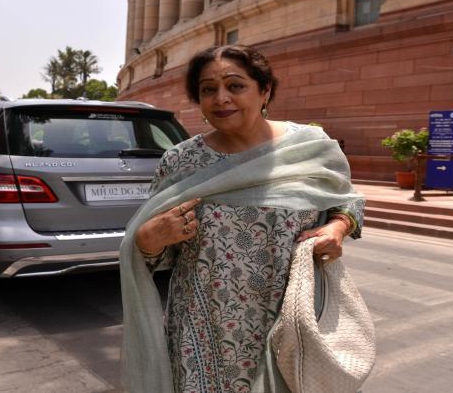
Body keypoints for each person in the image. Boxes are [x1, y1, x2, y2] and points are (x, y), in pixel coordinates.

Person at [120, 45, 365, 392]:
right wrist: (149, 239)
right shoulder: (181, 162)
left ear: (264, 90)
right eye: (208, 90)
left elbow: (346, 201)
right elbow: (155, 251)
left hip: (289, 320)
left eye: (235, 86)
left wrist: (338, 228)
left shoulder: (310, 147)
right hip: (203, 331)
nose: (221, 98)